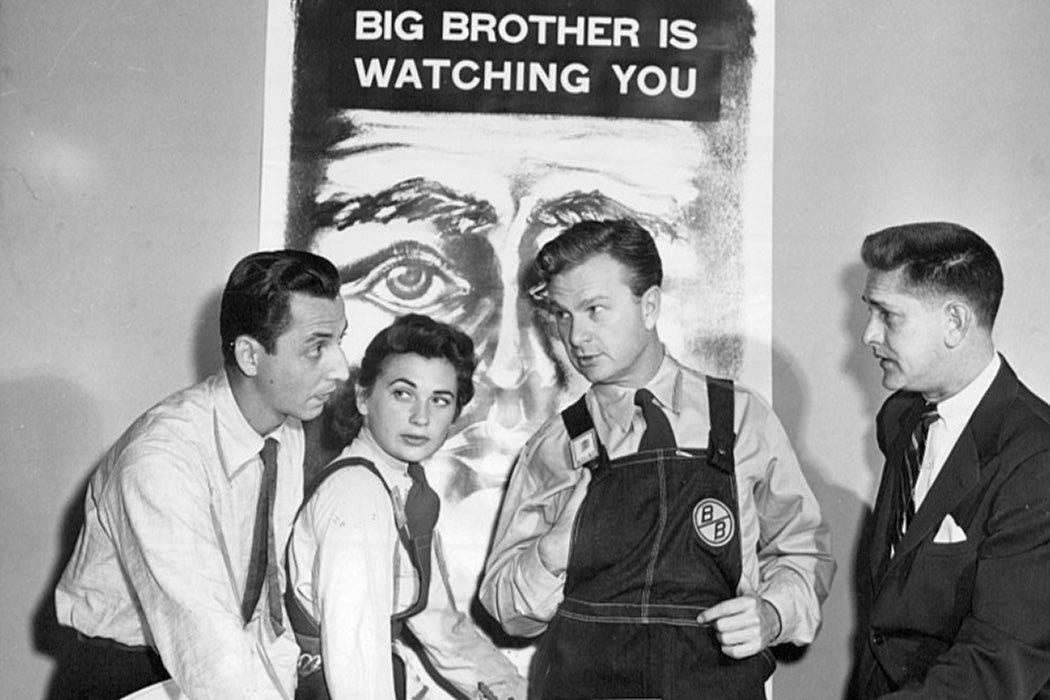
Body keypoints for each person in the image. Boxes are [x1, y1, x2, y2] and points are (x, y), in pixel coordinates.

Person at [480, 218, 834, 699]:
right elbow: (505, 609)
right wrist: (551, 554)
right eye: (563, 315)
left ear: (649, 306)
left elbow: (803, 550)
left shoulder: (740, 419)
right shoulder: (555, 446)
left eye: (594, 310)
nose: (576, 336)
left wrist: (773, 614)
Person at [53, 250, 350, 699]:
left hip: (219, 665)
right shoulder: (161, 460)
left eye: (340, 341)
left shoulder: (286, 432)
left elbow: (266, 609)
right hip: (128, 677)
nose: (341, 368)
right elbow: (208, 649)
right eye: (316, 348)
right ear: (250, 355)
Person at [854, 222, 1050, 698]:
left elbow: (996, 662)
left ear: (955, 322)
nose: (868, 335)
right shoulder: (901, 418)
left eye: (888, 315)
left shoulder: (1038, 461)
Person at [285, 314, 526, 700]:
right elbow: (355, 657)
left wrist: (519, 692)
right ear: (363, 397)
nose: (421, 417)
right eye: (403, 393)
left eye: (440, 400)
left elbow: (442, 628)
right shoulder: (356, 494)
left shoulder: (403, 487)